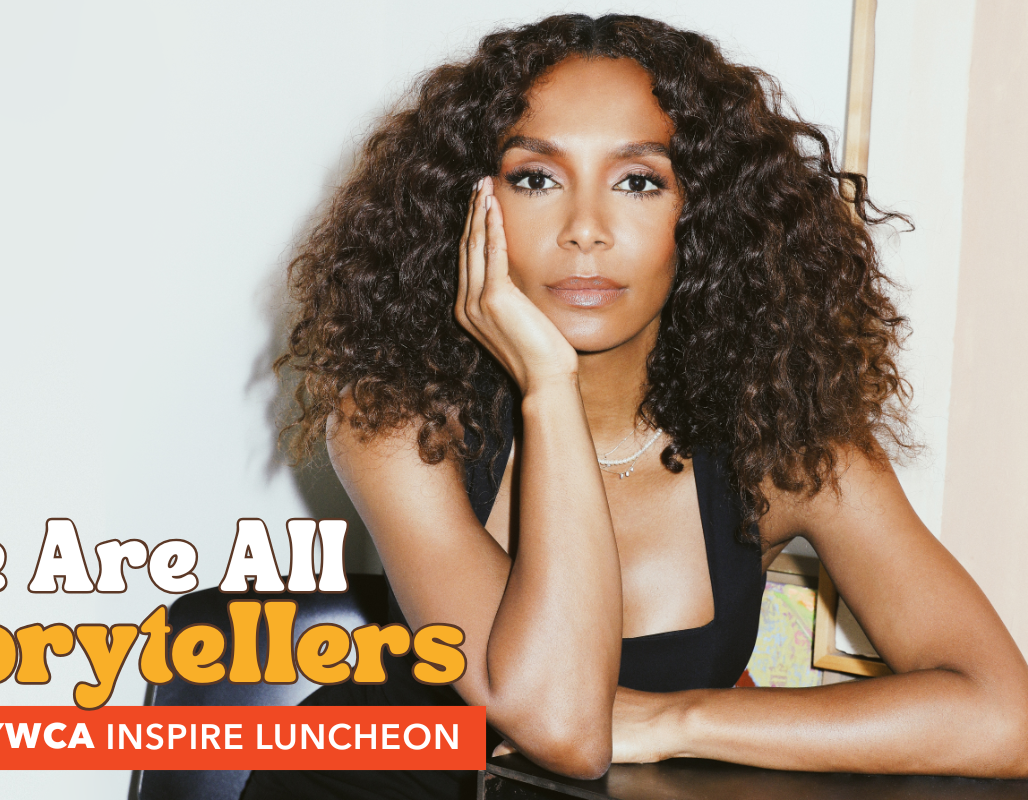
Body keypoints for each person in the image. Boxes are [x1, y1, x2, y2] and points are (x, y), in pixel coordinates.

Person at [244, 12, 1028, 799]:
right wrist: (549, 387)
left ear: (708, 216)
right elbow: (562, 726)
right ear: (469, 209)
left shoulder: (784, 445)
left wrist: (676, 719)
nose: (585, 230)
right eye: (536, 178)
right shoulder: (397, 428)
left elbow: (1003, 715)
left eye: (639, 181)